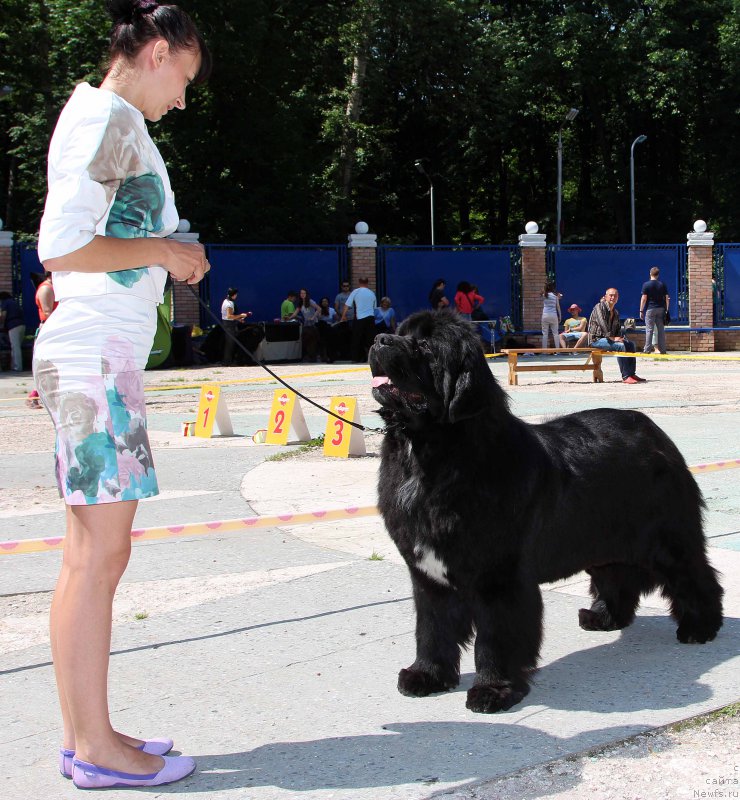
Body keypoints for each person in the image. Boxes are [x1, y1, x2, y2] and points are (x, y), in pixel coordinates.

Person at [32, 0, 211, 789]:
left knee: (90, 555)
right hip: (98, 360)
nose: (183, 99)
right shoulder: (108, 117)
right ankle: (97, 750)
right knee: (99, 556)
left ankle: (88, 735)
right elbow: (62, 243)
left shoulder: (104, 117)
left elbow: (78, 245)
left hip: (98, 355)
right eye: (184, 79)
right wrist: (166, 251)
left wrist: (151, 255)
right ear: (158, 51)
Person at [588, 288, 645, 384]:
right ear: (605, 297)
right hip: (596, 340)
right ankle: (626, 376)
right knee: (620, 346)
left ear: (618, 298)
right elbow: (602, 323)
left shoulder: (615, 312)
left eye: (615, 296)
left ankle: (632, 374)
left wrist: (620, 338)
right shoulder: (599, 307)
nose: (613, 297)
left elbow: (618, 329)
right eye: (611, 295)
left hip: (609, 339)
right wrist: (611, 337)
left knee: (630, 344)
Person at [341, 276, 377, 362]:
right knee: (370, 340)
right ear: (367, 283)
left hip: (359, 318)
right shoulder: (372, 293)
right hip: (370, 318)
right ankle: (372, 359)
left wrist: (343, 316)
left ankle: (355, 358)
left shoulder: (356, 292)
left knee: (356, 339)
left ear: (359, 282)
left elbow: (347, 305)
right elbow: (374, 308)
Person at [639, 266, 670, 355]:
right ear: (658, 275)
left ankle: (647, 350)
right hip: (661, 309)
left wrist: (641, 310)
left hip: (650, 309)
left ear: (650, 274)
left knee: (649, 329)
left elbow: (644, 298)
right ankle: (663, 350)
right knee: (661, 330)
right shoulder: (662, 284)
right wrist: (667, 310)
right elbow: (667, 298)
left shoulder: (646, 285)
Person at [221, 287, 251, 365]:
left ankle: (229, 361)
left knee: (231, 343)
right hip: (229, 325)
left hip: (227, 323)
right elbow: (229, 316)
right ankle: (227, 362)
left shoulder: (225, 301)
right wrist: (240, 315)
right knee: (230, 343)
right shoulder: (229, 304)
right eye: (236, 295)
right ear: (234, 295)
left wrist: (238, 319)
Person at [0, 291, 26, 371]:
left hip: (13, 326)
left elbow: (3, 315)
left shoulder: (5, 303)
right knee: (17, 346)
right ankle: (14, 366)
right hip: (21, 325)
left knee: (15, 347)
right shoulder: (14, 303)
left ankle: (17, 367)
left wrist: (2, 325)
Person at [296, 287, 320, 361]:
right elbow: (295, 313)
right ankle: (307, 356)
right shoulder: (300, 303)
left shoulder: (310, 301)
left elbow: (319, 309)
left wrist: (313, 317)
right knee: (305, 340)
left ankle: (313, 357)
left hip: (313, 324)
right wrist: (289, 317)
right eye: (301, 293)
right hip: (306, 324)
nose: (302, 294)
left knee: (312, 341)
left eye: (304, 293)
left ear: (306, 294)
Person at [540, 279, 562, 349]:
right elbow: (558, 307)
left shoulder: (544, 295)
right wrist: (560, 316)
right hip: (553, 315)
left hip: (545, 315)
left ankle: (544, 351)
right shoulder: (555, 296)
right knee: (555, 334)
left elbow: (542, 293)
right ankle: (557, 351)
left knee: (545, 334)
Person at [317, 296, 337, 362]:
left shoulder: (332, 310)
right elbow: (318, 318)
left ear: (328, 302)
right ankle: (323, 356)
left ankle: (331, 356)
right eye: (323, 301)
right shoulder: (319, 310)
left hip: (330, 327)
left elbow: (336, 319)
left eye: (326, 301)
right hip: (322, 328)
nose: (324, 303)